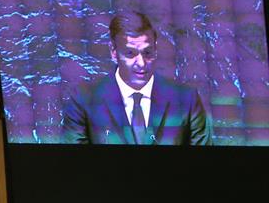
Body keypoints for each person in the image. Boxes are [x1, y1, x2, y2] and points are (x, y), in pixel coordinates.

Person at [63, 11, 212, 145]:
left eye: (148, 52)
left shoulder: (187, 100)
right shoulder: (83, 101)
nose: (141, 63)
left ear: (156, 48)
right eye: (130, 53)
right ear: (113, 52)